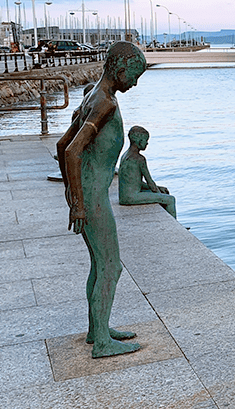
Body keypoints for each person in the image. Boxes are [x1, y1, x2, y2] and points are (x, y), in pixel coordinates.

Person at [57, 41, 146, 358]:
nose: (135, 83)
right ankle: (103, 344)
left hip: (90, 194)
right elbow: (71, 150)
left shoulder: (92, 95)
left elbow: (60, 144)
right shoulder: (105, 103)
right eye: (134, 75)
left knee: (99, 264)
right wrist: (78, 203)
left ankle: (98, 330)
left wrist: (71, 190)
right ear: (120, 69)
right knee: (111, 267)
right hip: (94, 199)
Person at [118, 125, 177, 218]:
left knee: (163, 192)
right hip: (131, 197)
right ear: (139, 141)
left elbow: (135, 182)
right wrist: (160, 194)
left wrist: (159, 188)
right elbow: (150, 183)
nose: (147, 143)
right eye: (146, 140)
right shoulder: (139, 159)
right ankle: (175, 228)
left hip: (124, 197)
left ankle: (163, 218)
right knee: (170, 200)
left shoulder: (125, 155)